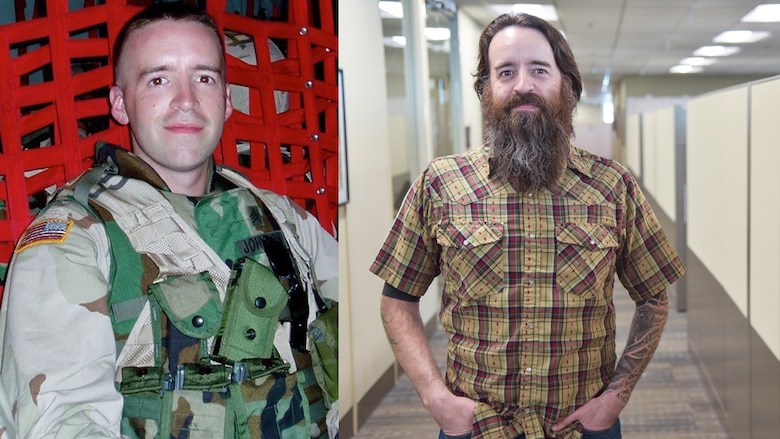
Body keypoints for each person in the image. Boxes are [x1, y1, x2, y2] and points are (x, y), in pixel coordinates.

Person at [0, 3, 338, 438]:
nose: (186, 101)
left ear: (226, 98)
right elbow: (60, 423)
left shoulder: (283, 219)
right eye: (158, 79)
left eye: (204, 78)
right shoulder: (75, 238)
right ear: (120, 104)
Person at [370, 13, 685, 439]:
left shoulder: (613, 186)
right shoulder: (440, 184)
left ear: (566, 86)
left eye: (539, 69)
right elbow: (397, 300)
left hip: (581, 426)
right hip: (477, 427)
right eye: (505, 72)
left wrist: (616, 396)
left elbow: (653, 298)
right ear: (486, 90)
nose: (522, 85)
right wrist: (434, 397)